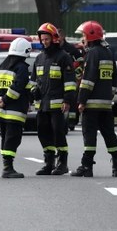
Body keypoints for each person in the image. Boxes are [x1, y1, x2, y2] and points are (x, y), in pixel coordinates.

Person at [71, 21, 117, 178]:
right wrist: (108, 95)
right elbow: (115, 80)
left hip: (91, 104)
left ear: (90, 36)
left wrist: (81, 101)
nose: (82, 40)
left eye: (83, 36)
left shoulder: (93, 53)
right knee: (109, 134)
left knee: (90, 135)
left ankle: (86, 166)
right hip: (106, 105)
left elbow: (88, 80)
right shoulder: (108, 52)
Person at [31, 22, 76, 175]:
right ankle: (49, 163)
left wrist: (68, 100)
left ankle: (62, 163)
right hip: (42, 105)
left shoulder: (64, 57)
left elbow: (70, 82)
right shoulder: (39, 58)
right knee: (42, 132)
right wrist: (33, 91)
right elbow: (33, 81)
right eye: (42, 39)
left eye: (46, 39)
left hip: (57, 105)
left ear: (54, 38)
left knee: (58, 132)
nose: (44, 42)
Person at [0, 37, 33, 179]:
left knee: (5, 138)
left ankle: (7, 166)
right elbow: (17, 88)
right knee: (13, 139)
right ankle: (8, 168)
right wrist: (5, 99)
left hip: (2, 112)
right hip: (15, 111)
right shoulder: (21, 67)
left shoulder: (3, 66)